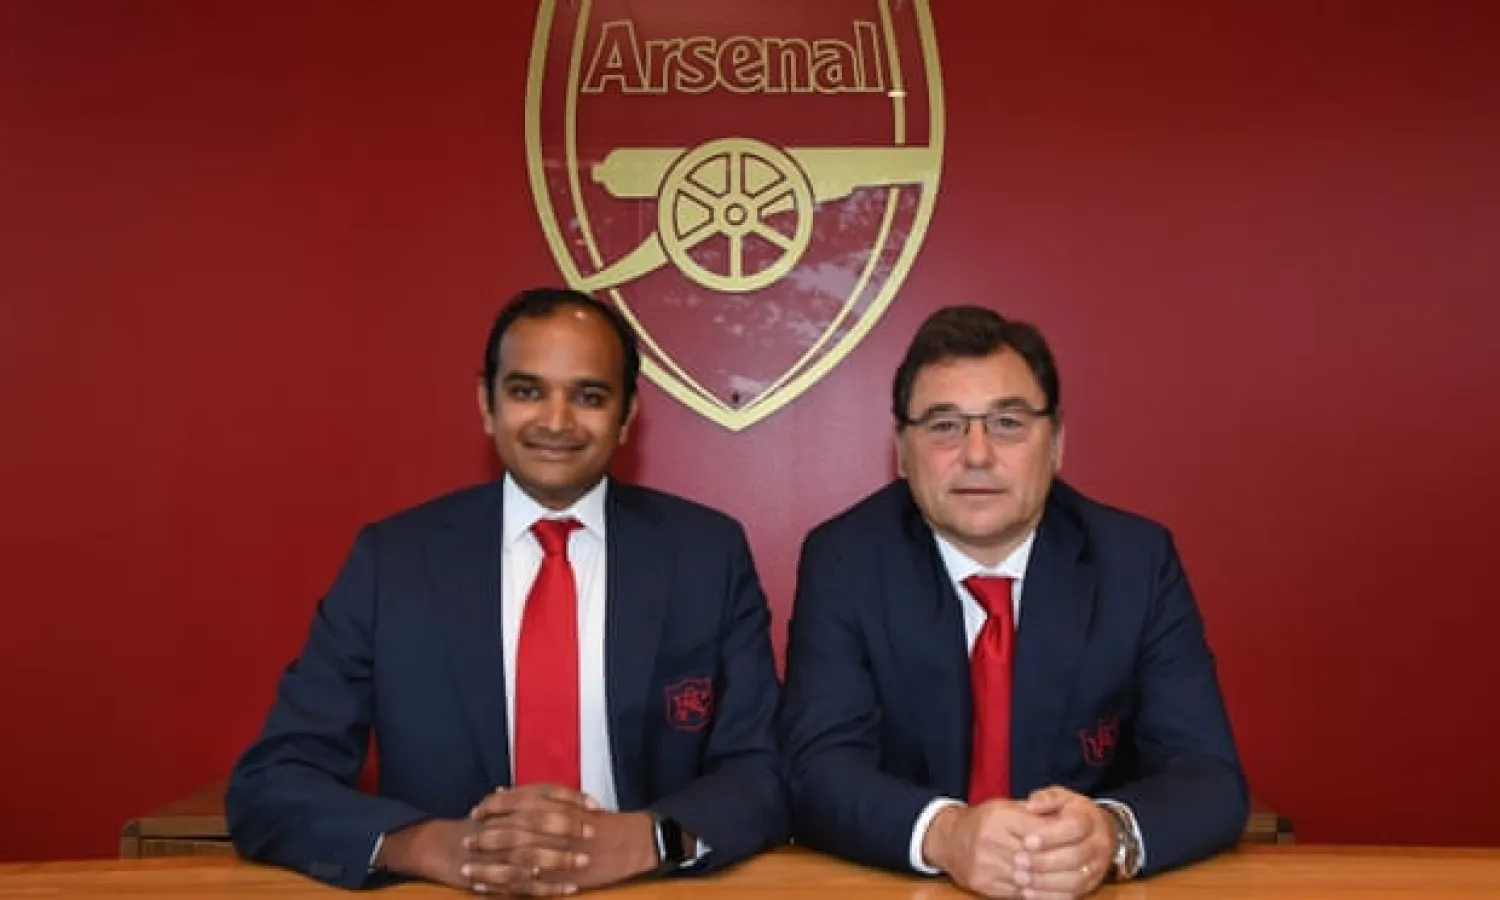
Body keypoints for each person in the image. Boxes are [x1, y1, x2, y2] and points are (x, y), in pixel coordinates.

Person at [228, 288, 786, 892]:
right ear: (487, 404)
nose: (556, 422)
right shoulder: (392, 562)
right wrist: (427, 846)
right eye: (527, 391)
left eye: (589, 396)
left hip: (641, 889)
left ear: (627, 416)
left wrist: (650, 840)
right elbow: (272, 781)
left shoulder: (706, 555)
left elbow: (764, 772)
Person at [777, 305, 1246, 898]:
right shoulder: (846, 560)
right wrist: (947, 835)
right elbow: (816, 768)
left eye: (1007, 423)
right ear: (902, 450)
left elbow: (1208, 775)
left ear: (1056, 443)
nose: (977, 454)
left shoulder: (1135, 562)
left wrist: (1109, 834)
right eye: (945, 426)